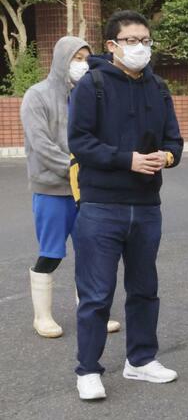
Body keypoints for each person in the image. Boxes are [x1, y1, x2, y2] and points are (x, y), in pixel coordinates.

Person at [68, 10, 183, 401]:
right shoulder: (92, 85)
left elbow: (175, 142)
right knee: (97, 293)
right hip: (101, 205)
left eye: (145, 40)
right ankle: (88, 369)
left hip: (147, 205)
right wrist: (127, 159)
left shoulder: (159, 87)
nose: (140, 47)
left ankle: (141, 360)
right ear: (113, 46)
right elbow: (79, 142)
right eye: (131, 40)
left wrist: (163, 158)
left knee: (144, 288)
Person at [21, 36, 118, 338]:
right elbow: (41, 146)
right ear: (62, 59)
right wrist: (76, 168)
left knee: (90, 252)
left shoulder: (91, 94)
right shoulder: (37, 96)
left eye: (86, 58)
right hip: (52, 188)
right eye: (76, 57)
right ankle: (43, 316)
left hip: (87, 189)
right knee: (51, 252)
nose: (82, 64)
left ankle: (90, 311)